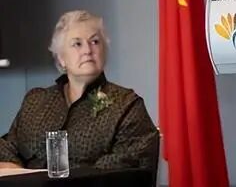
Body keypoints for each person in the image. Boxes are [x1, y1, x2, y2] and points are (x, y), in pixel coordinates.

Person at [0, 10, 159, 172]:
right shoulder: (35, 101)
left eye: (95, 42)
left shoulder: (127, 106)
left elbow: (128, 166)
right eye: (77, 44)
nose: (87, 50)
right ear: (61, 58)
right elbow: (6, 148)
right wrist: (15, 170)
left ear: (104, 52)